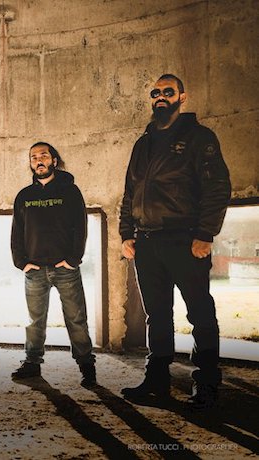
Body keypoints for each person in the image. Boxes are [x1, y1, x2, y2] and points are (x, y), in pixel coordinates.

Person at [119, 74, 231, 410]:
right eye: (156, 92)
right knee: (156, 314)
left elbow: (217, 187)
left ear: (182, 97)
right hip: (146, 242)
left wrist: (205, 234)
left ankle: (207, 383)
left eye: (168, 92)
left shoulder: (199, 137)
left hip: (185, 240)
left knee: (200, 312)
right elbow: (130, 192)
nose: (161, 97)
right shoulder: (143, 144)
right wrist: (126, 234)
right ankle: (157, 379)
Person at [10, 142, 96, 387]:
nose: (39, 160)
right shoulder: (24, 196)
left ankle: (86, 366)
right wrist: (21, 263)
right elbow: (17, 232)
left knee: (76, 319)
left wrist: (73, 260)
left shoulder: (71, 191)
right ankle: (32, 363)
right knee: (34, 321)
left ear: (54, 161)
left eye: (44, 156)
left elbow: (80, 227)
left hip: (65, 269)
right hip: (35, 270)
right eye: (34, 157)